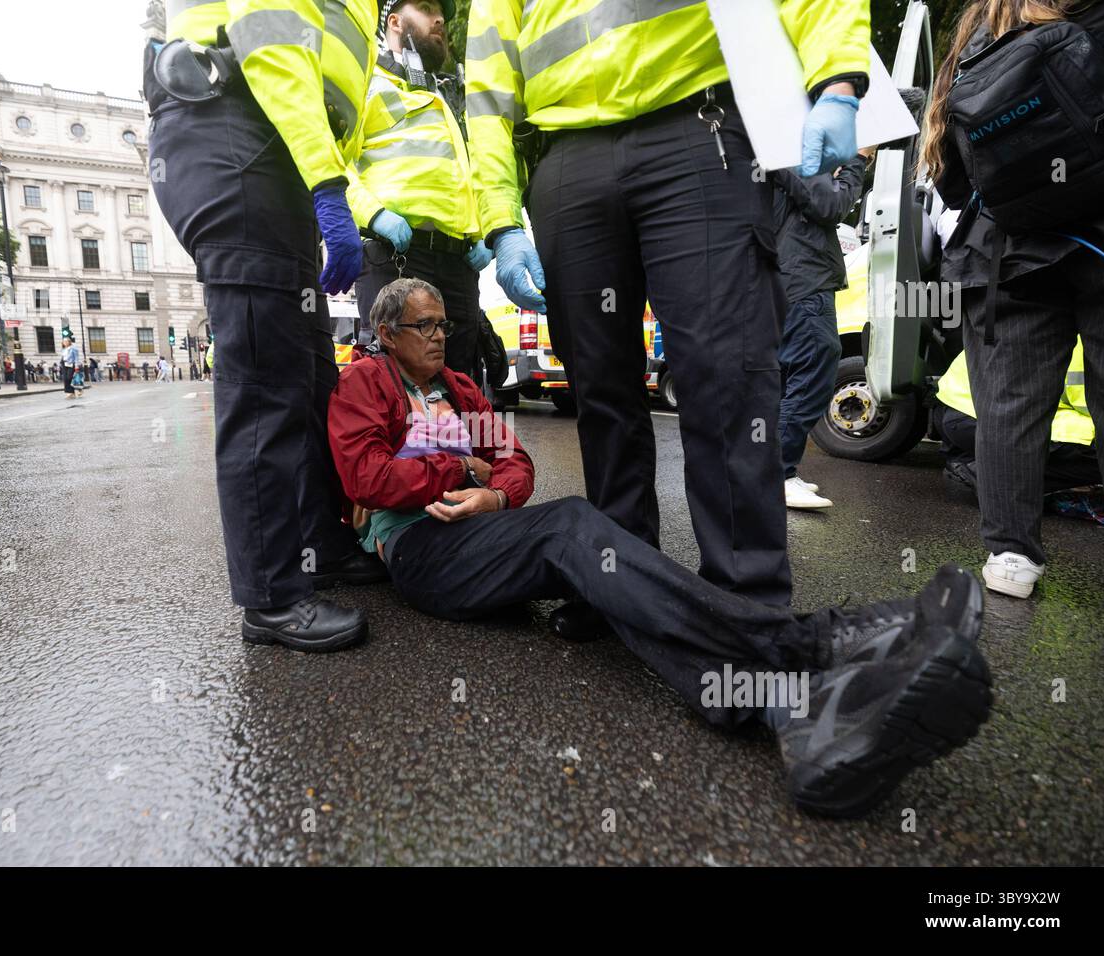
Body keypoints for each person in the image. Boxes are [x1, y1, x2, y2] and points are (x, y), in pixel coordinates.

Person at [326, 279, 992, 817]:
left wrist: (493, 493)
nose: (442, 336)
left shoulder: (462, 392)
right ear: (387, 335)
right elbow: (367, 478)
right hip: (421, 553)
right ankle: (819, 642)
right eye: (425, 326)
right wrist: (460, 471)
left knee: (611, 578)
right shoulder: (366, 384)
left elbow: (516, 468)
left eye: (444, 323)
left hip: (481, 531)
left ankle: (791, 710)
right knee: (573, 528)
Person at [466, 0, 870, 636]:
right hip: (565, 157)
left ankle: (747, 611)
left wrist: (838, 78)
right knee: (599, 389)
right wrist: (499, 219)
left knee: (725, 376)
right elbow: (488, 81)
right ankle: (623, 583)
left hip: (697, 127)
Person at [147, 0, 387, 649]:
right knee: (265, 388)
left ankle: (321, 548)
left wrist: (338, 189)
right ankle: (273, 596)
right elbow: (271, 43)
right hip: (234, 137)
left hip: (270, 152)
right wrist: (329, 188)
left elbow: (343, 114)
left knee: (311, 376)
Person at [922, 0, 1104, 599]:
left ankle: (1011, 557)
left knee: (1007, 408)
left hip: (1006, 253)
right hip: (1102, 240)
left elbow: (950, 178)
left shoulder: (980, 35)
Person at [348, 0, 490, 379]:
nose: (440, 18)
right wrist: (373, 214)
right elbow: (333, 161)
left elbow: (466, 170)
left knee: (460, 386)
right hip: (395, 256)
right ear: (394, 21)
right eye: (426, 7)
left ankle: (453, 442)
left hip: (458, 263)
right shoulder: (364, 80)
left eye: (442, 11)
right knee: (395, 387)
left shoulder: (448, 96)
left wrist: (483, 231)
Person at [771, 153, 869, 509]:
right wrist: (859, 159)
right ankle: (777, 474)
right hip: (803, 276)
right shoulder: (795, 146)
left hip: (788, 276)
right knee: (815, 365)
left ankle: (776, 471)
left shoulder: (786, 146)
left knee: (786, 376)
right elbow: (830, 205)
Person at [934, 342, 1101, 503]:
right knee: (1100, 451)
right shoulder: (1091, 335)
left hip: (956, 405)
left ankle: (975, 461)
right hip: (979, 414)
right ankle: (991, 477)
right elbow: (1096, 409)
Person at [60, 336, 81, 400]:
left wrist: (77, 366)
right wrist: (60, 365)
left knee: (70, 378)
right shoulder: (63, 349)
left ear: (69, 342)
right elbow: (62, 358)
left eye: (66, 341)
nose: (65, 343)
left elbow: (76, 358)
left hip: (71, 364)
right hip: (64, 364)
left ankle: (77, 390)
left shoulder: (73, 348)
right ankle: (70, 393)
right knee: (65, 379)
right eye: (64, 341)